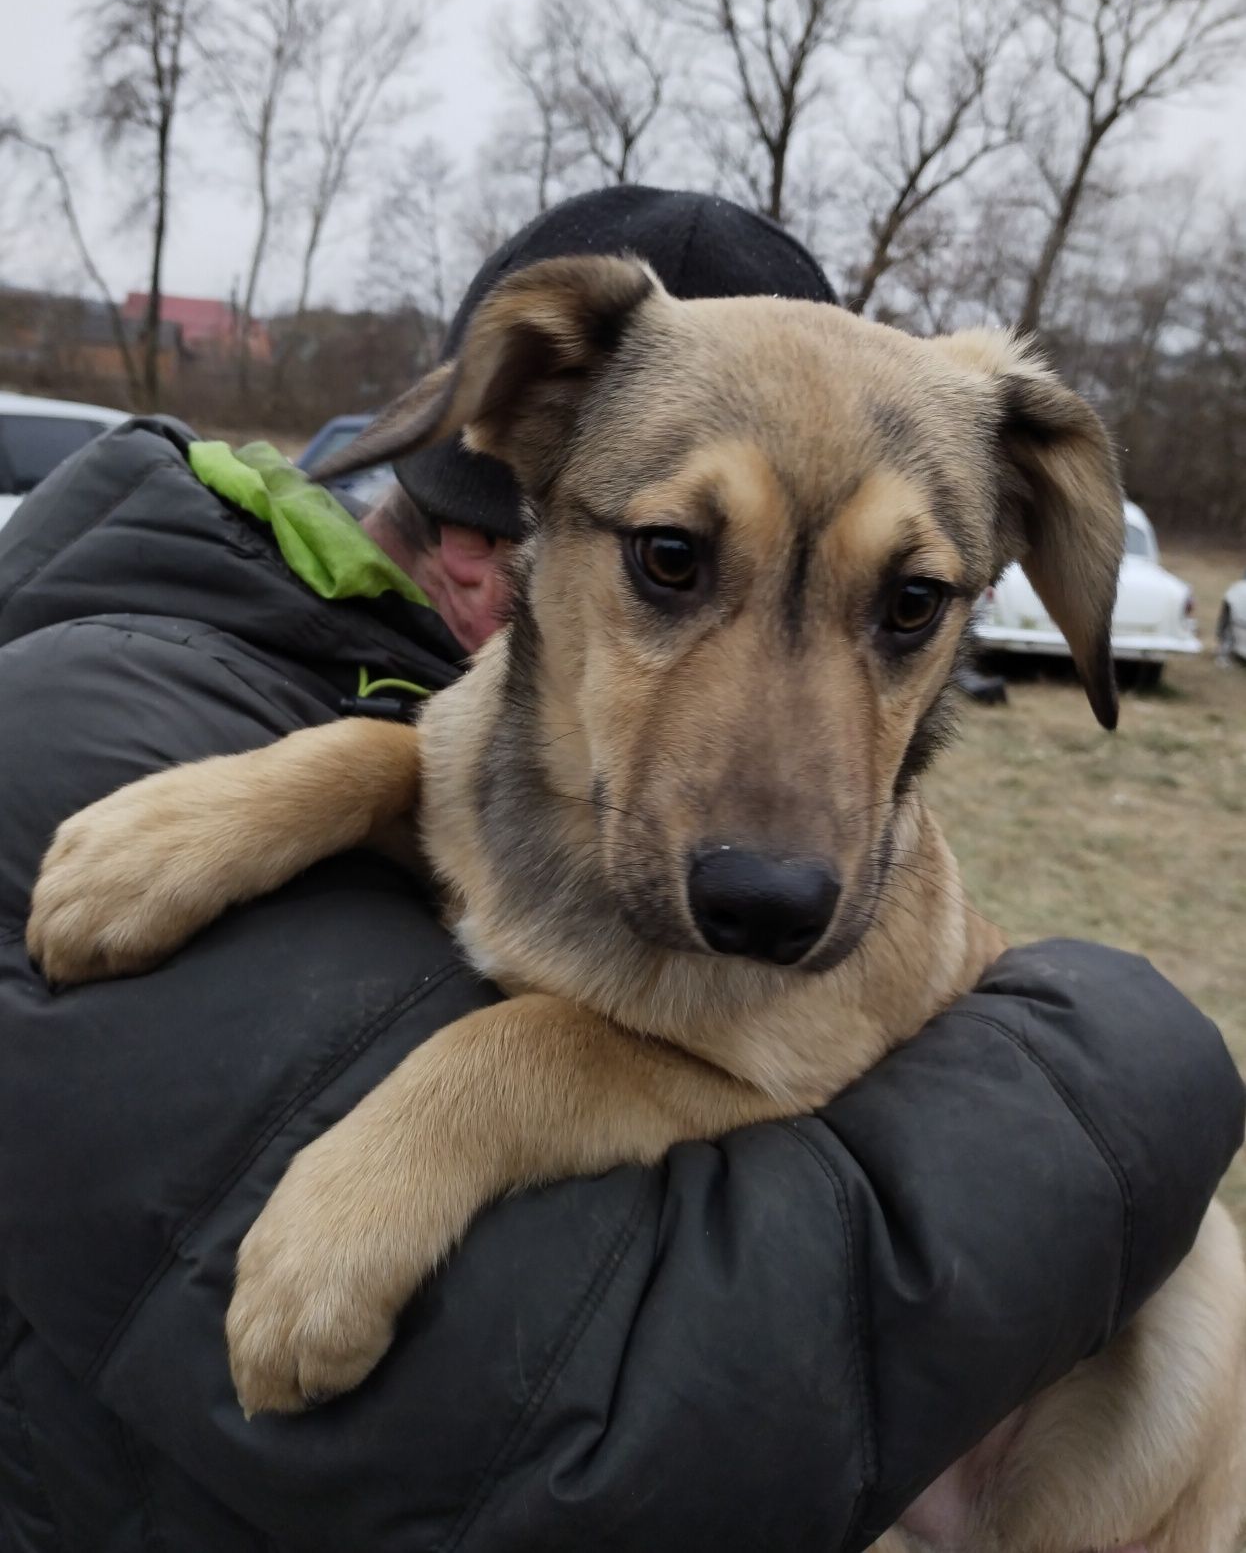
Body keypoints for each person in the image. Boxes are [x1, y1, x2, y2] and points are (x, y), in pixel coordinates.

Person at [0, 185, 1240, 1553]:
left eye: (902, 607)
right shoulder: (137, 710)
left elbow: (752, 1069)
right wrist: (338, 778)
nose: (783, 849)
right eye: (672, 561)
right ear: (511, 463)